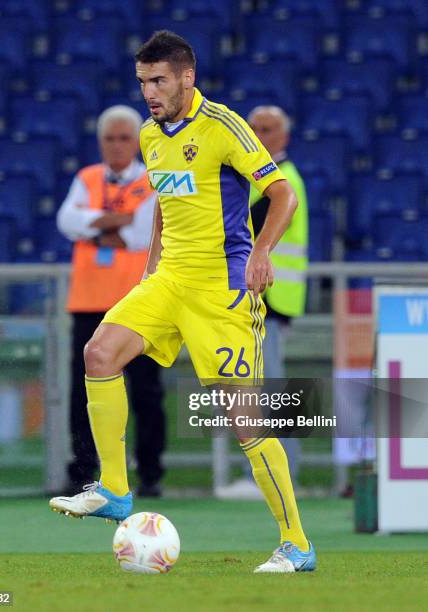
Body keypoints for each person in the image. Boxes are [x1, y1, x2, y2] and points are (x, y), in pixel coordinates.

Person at [50, 31, 316, 573]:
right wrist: (151, 269)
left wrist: (262, 252)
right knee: (99, 353)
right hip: (169, 280)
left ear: (186, 77)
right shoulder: (150, 134)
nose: (149, 92)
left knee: (246, 422)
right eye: (143, 81)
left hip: (221, 290)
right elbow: (167, 204)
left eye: (158, 81)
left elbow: (280, 193)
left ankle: (297, 544)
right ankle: (117, 490)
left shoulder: (223, 127)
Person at [56, 105, 166, 497]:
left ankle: (150, 472)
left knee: (145, 390)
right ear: (100, 141)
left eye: (124, 138)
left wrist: (94, 224)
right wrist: (116, 222)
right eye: (110, 138)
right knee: (83, 393)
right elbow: (66, 221)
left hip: (138, 301)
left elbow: (140, 234)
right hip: (88, 301)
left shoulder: (154, 180)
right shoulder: (85, 177)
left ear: (136, 141)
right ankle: (83, 471)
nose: (117, 145)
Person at [220, 106, 309, 499]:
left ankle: (276, 473)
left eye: (267, 129)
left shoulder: (279, 181)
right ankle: (273, 471)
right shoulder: (272, 179)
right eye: (254, 128)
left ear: (284, 137)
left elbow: (239, 225)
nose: (258, 134)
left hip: (266, 294)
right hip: (269, 294)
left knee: (264, 387)